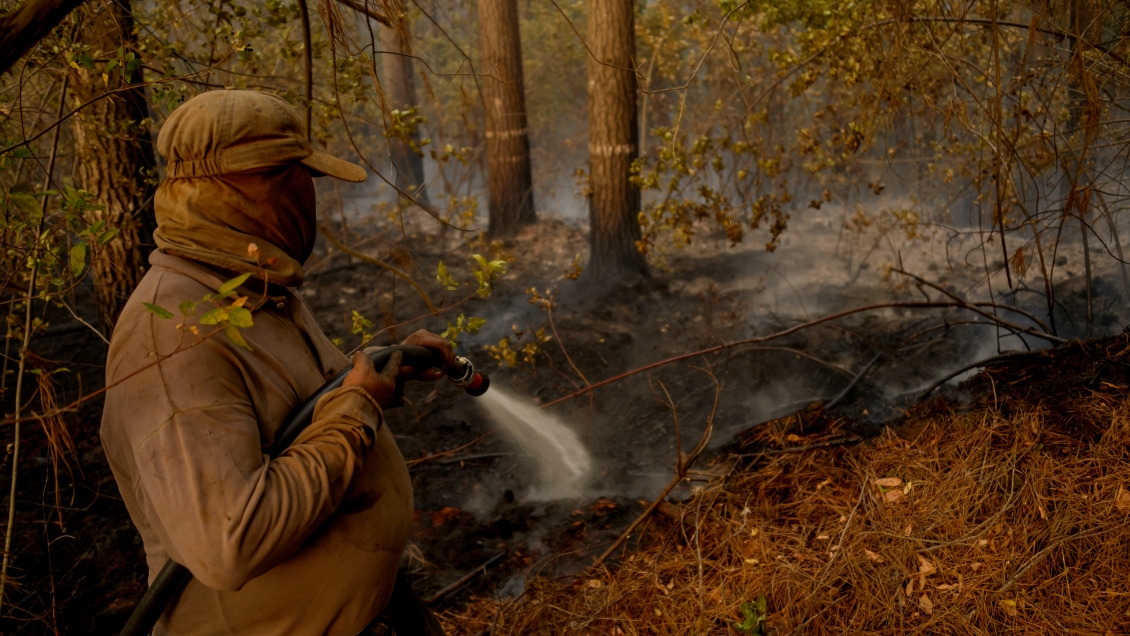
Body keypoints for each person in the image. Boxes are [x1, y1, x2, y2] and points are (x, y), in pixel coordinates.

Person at [101, 89, 447, 635]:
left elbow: (301, 416)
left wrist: (384, 370)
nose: (313, 196)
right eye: (301, 177)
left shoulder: (250, 294)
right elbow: (231, 542)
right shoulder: (174, 338)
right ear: (251, 186)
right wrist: (356, 409)